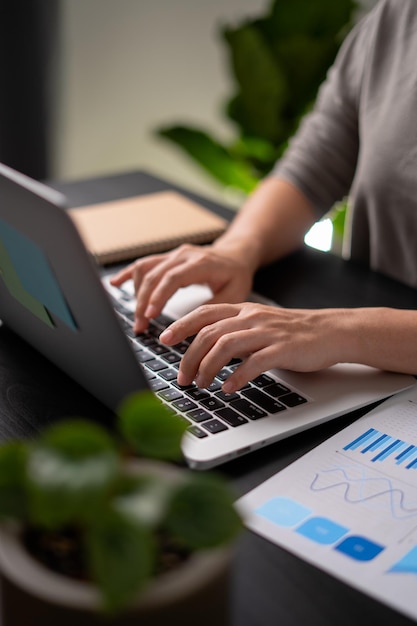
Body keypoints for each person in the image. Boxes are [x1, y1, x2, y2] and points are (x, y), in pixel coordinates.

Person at [111, 0, 417, 394]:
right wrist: (236, 250)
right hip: (380, 372)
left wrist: (341, 330)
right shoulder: (396, 19)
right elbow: (312, 168)